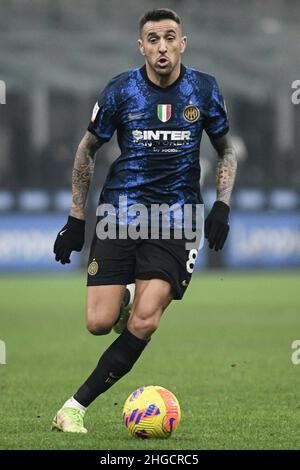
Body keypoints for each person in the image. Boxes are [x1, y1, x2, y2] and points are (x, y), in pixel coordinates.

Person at [51, 8, 237, 433]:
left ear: (182, 43)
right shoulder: (121, 90)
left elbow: (226, 150)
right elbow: (86, 151)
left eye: (170, 37)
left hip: (178, 218)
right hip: (121, 213)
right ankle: (129, 292)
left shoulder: (204, 90)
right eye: (153, 39)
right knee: (99, 323)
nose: (162, 47)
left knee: (145, 320)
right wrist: (76, 218)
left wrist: (221, 205)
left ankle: (74, 408)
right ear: (142, 47)